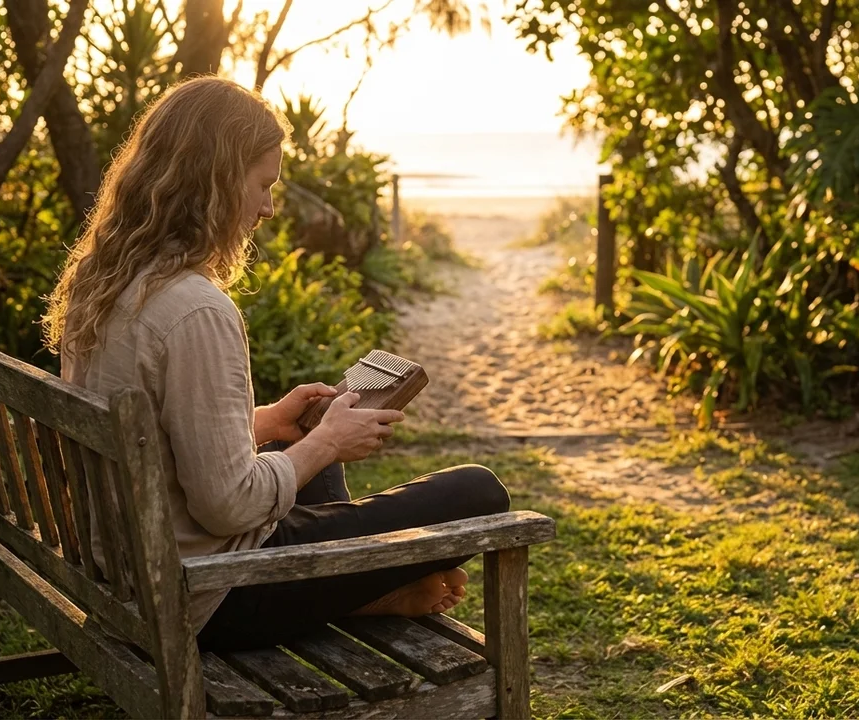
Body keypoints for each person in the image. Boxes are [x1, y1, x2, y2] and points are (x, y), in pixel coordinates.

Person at [42, 76, 509, 651]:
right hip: (206, 593)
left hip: (128, 570)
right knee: (478, 492)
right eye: (261, 185)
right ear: (212, 182)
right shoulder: (195, 309)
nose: (267, 208)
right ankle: (364, 594)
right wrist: (326, 442)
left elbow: (149, 438)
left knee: (313, 460)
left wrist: (265, 424)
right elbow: (228, 505)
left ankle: (362, 592)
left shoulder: (105, 284)